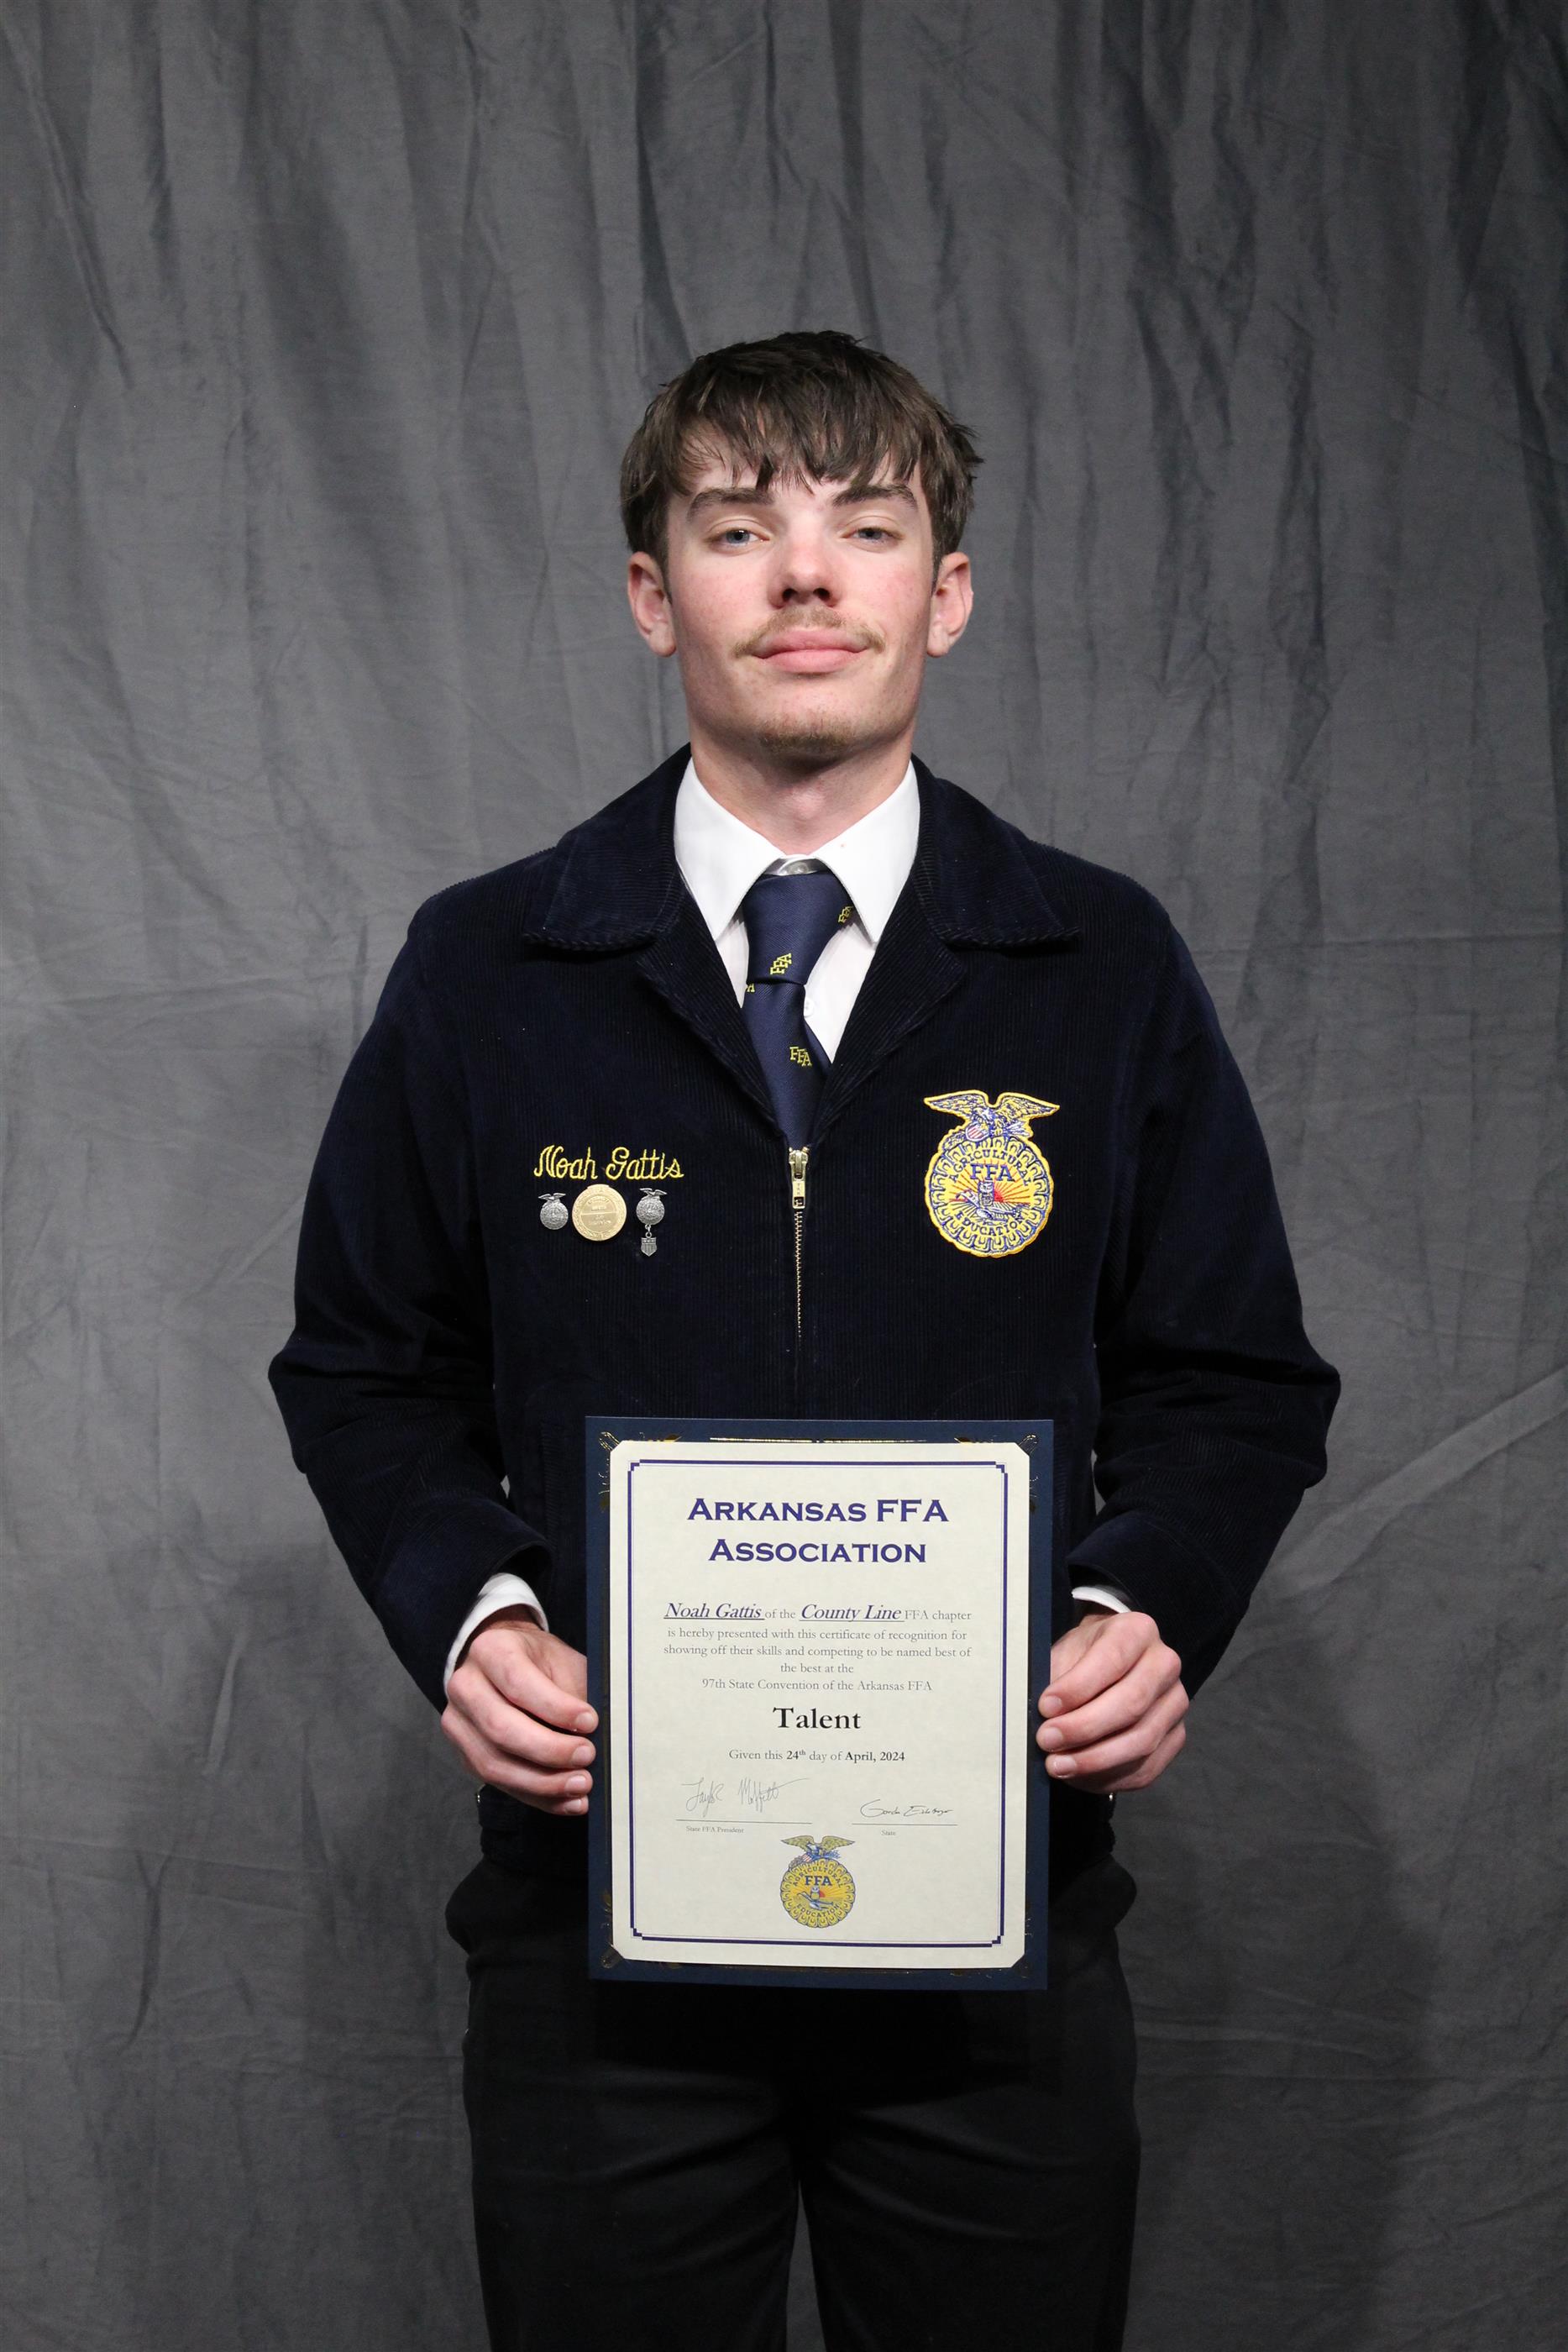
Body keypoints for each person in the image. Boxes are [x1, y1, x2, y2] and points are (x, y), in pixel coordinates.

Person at [269, 329, 1338, 2352]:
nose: (807, 576)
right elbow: (363, 1364)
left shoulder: (1095, 960)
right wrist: (474, 1612)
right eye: (736, 528)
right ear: (651, 593)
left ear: (948, 590)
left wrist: (1146, 1603)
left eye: (868, 526)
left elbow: (1232, 1377)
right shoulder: (492, 963)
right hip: (600, 1922)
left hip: (996, 1912)